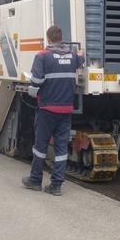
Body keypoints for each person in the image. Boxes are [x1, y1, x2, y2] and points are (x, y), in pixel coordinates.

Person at [22, 25, 85, 196]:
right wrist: (81, 55)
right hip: (66, 109)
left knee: (40, 146)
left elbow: (36, 82)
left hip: (48, 108)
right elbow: (80, 60)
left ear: (48, 39)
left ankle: (35, 181)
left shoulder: (42, 56)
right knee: (61, 148)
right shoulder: (72, 57)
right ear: (62, 37)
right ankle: (56, 185)